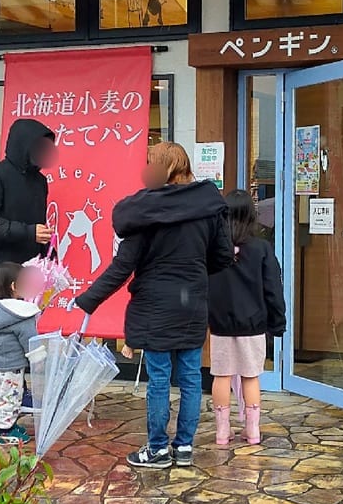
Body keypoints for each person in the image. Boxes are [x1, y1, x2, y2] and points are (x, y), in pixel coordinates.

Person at [75, 142, 234, 470]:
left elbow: (122, 267)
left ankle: (158, 449)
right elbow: (222, 257)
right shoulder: (209, 207)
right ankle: (185, 447)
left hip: (155, 307)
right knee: (190, 377)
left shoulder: (145, 213)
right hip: (192, 305)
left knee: (159, 379)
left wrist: (88, 300)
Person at [0, 119, 56, 418]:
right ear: (23, 146)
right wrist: (28, 232)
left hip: (24, 269)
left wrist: (46, 255)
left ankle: (16, 390)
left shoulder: (39, 180)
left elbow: (37, 223)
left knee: (22, 332)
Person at [208, 190, 286, 446]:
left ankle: (222, 431)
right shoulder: (262, 248)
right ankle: (252, 431)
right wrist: (278, 321)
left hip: (219, 323)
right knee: (250, 376)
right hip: (253, 323)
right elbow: (273, 287)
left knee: (221, 375)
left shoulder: (213, 248)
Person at [0, 261, 42, 446]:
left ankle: (8, 425)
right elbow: (31, 342)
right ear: (14, 287)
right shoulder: (20, 315)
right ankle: (6, 431)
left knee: (2, 395)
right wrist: (39, 360)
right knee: (11, 398)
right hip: (11, 366)